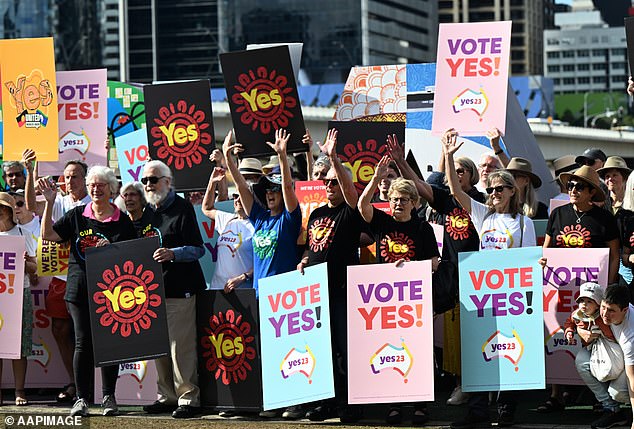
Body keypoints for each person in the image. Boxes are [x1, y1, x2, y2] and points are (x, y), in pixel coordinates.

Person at [442, 128, 536, 429]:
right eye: (491, 190)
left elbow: (529, 261)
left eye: (499, 189)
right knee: (478, 348)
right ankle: (478, 409)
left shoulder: (524, 223)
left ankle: (506, 407)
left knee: (510, 347)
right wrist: (448, 154)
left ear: (512, 191)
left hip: (511, 297)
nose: (493, 194)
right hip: (482, 295)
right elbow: (457, 192)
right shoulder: (484, 216)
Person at [386, 134, 484, 406]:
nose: (457, 174)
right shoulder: (445, 201)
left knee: (475, 332)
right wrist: (400, 162)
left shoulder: (480, 202)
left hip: (478, 274)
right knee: (455, 334)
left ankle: (478, 386)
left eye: (463, 170)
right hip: (451, 273)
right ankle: (459, 384)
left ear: (472, 176)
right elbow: (420, 187)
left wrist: (449, 156)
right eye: (456, 169)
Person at [40, 165, 136, 417]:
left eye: (100, 185)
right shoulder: (76, 216)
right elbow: (48, 234)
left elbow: (132, 257)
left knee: (109, 343)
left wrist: (112, 248)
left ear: (110, 189)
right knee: (82, 342)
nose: (95, 189)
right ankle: (81, 399)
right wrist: (50, 202)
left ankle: (108, 397)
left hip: (112, 292)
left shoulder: (122, 220)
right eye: (92, 184)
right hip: (79, 288)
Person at [223, 128, 301, 418]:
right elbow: (244, 190)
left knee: (288, 349)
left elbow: (290, 190)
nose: (269, 194)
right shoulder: (259, 219)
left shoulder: (289, 219)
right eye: (266, 191)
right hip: (260, 294)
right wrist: (230, 161)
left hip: (287, 295)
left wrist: (282, 157)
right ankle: (273, 401)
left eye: (274, 190)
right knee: (266, 351)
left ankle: (293, 401)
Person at [359, 157, 440, 426]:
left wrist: (411, 267)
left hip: (414, 299)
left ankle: (420, 404)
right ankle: (393, 404)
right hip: (386, 301)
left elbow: (435, 262)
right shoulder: (381, 222)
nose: (398, 203)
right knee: (389, 349)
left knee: (418, 349)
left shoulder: (422, 228)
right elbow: (361, 205)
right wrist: (375, 177)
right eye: (395, 198)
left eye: (404, 199)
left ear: (414, 203)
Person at [295, 129, 363, 423]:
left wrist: (333, 157)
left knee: (345, 350)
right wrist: (305, 260)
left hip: (343, 289)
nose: (329, 186)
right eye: (327, 182)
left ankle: (350, 403)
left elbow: (351, 192)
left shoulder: (349, 210)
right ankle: (327, 402)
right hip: (317, 291)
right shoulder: (317, 213)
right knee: (322, 350)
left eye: (335, 182)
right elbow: (313, 246)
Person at [139, 160, 206, 419]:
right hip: (153, 291)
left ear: (167, 181)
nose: (148, 184)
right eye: (145, 180)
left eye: (153, 179)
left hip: (181, 288)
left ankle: (188, 398)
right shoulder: (148, 211)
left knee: (181, 347)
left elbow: (198, 249)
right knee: (160, 347)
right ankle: (166, 396)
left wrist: (173, 254)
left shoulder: (182, 207)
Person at [24, 150, 91, 404]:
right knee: (61, 329)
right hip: (61, 277)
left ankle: (94, 385)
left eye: (75, 176)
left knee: (87, 332)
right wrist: (30, 172)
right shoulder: (59, 200)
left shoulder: (96, 201)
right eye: (66, 176)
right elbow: (31, 207)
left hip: (90, 277)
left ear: (86, 179)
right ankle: (74, 382)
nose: (70, 181)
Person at [577, 284, 633, 429]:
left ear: (625, 310)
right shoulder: (602, 308)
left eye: (611, 311)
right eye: (603, 307)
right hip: (614, 352)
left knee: (618, 393)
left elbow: (632, 379)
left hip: (629, 361)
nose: (604, 314)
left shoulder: (630, 336)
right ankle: (612, 410)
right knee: (582, 361)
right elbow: (580, 312)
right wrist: (579, 329)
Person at [0, 193, 37, 406]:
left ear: (10, 211)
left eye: (3, 207)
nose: (0, 211)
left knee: (19, 347)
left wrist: (27, 263)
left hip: (18, 295)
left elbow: (35, 270)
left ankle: (19, 391)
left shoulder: (22, 233)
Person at [201, 167, 254, 293]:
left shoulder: (258, 225)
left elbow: (265, 261)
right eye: (235, 196)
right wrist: (212, 183)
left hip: (244, 290)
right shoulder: (228, 219)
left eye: (241, 196)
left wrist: (244, 277)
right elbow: (207, 208)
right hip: (218, 288)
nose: (237, 200)